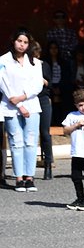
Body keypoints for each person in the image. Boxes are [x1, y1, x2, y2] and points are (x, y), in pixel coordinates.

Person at [1, 28, 44, 192]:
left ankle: (29, 177)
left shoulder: (34, 61)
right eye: (19, 41)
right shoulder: (3, 60)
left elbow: (38, 84)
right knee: (16, 142)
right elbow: (4, 84)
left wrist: (23, 98)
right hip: (10, 107)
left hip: (31, 105)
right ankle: (19, 177)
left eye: (25, 42)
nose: (22, 45)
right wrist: (18, 103)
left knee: (31, 141)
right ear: (13, 41)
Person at [33, 41, 56, 180]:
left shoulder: (43, 65)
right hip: (28, 99)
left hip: (42, 99)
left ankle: (48, 164)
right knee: (30, 134)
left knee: (45, 133)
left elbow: (48, 83)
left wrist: (39, 78)